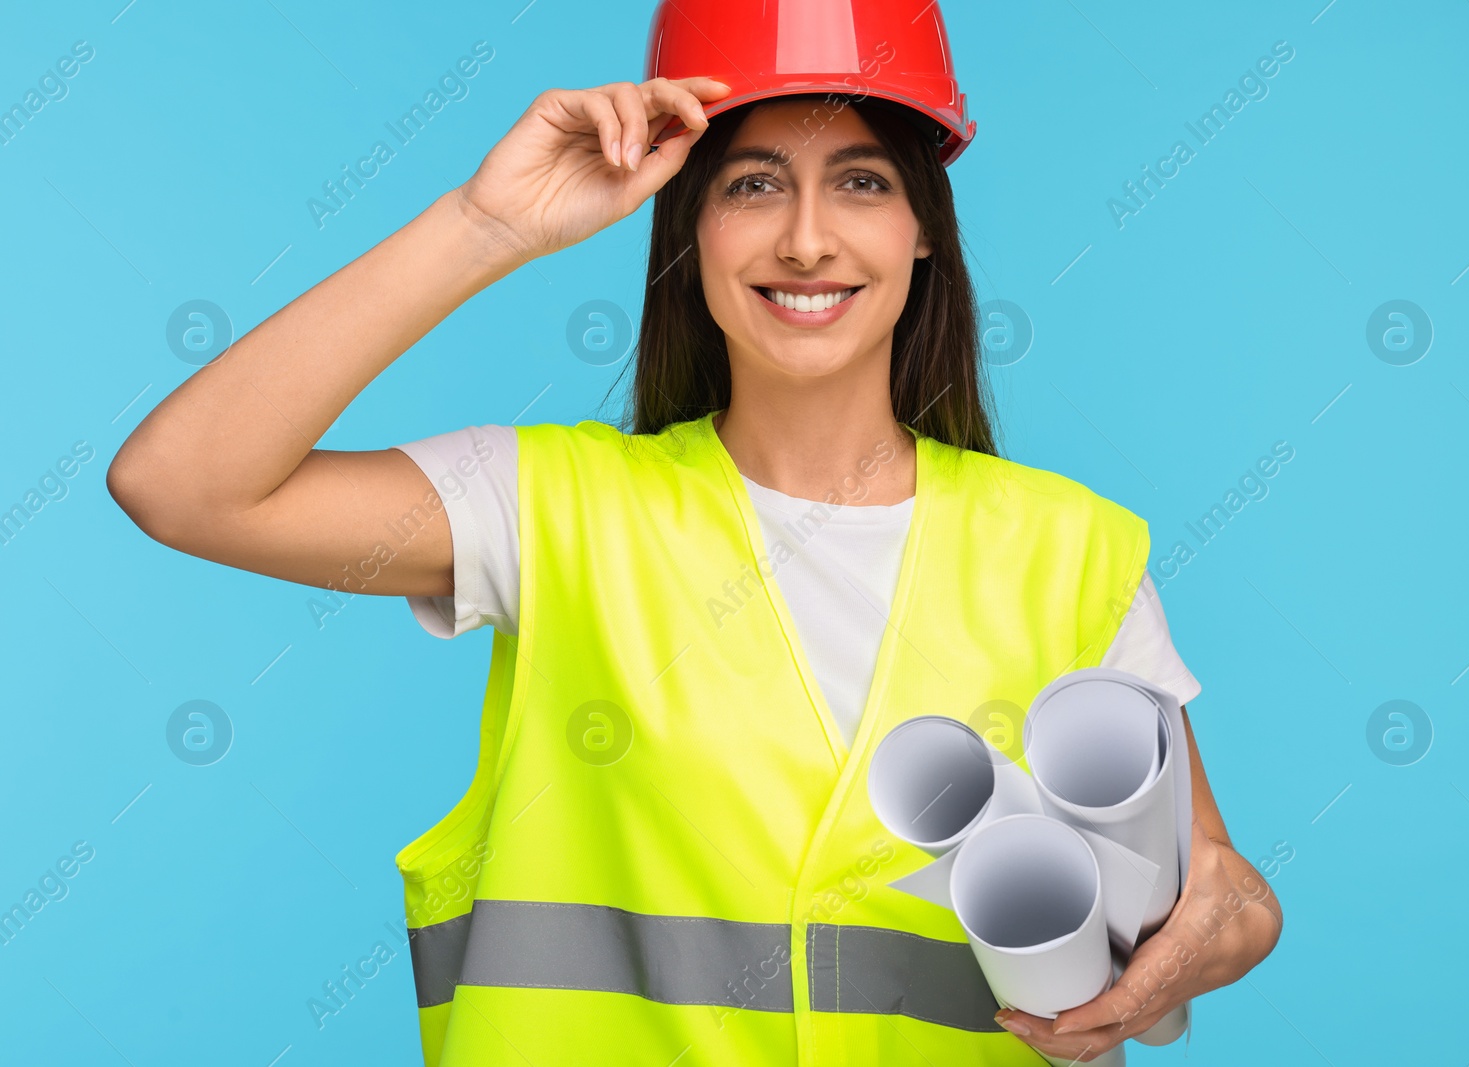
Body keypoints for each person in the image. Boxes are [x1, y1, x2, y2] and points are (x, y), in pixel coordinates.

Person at [107, 2, 1281, 1063]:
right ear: (690, 224)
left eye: (863, 182)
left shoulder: (1070, 550)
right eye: (754, 184)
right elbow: (183, 484)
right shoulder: (547, 507)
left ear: (926, 228)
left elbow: (1218, 886)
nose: (808, 241)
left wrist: (1219, 933)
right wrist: (483, 224)